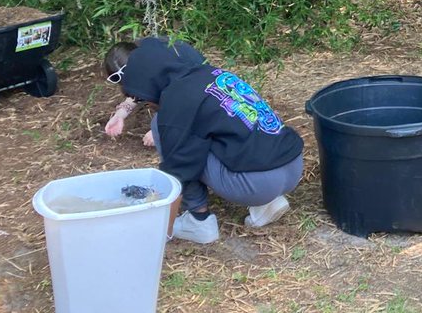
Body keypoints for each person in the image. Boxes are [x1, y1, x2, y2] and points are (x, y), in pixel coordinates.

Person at [103, 37, 304, 243]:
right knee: (228, 131)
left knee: (170, 136)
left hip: (258, 184)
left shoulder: (176, 103)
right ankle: (267, 204)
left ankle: (199, 222)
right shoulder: (209, 73)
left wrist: (163, 229)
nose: (146, 101)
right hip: (293, 166)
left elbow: (179, 170)